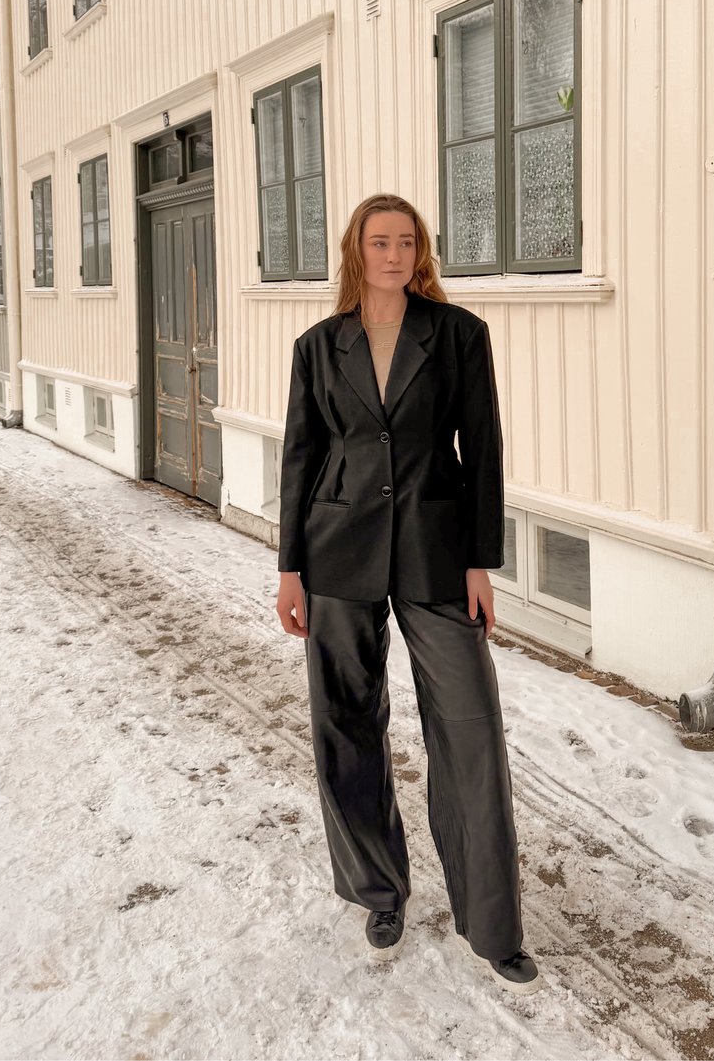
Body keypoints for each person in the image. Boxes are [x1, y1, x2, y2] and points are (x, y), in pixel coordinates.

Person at [275, 193, 540, 994]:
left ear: (421, 250)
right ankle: (378, 890)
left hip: (435, 551)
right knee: (345, 724)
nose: (393, 253)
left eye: (406, 241)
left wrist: (479, 561)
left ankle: (493, 925)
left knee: (468, 725)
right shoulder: (319, 346)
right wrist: (290, 567)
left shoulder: (458, 336)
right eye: (378, 241)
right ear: (357, 251)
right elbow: (300, 457)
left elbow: (483, 449)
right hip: (337, 553)